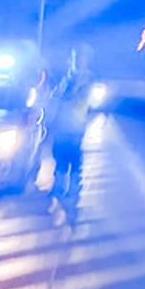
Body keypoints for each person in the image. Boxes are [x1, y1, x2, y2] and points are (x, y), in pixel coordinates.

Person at [48, 47, 92, 198]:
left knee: (73, 158)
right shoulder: (66, 78)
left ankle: (74, 189)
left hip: (75, 126)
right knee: (59, 156)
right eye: (75, 58)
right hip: (61, 124)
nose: (77, 62)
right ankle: (58, 187)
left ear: (86, 60)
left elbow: (77, 96)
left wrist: (69, 91)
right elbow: (55, 96)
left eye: (80, 58)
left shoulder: (86, 79)